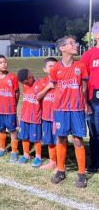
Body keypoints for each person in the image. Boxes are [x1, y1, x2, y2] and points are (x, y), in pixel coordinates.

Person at [50, 36, 89, 188]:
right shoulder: (55, 69)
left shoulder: (81, 66)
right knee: (61, 138)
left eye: (75, 43)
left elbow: (84, 87)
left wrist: (84, 103)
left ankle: (81, 173)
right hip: (60, 109)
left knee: (78, 139)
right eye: (71, 43)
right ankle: (60, 170)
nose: (75, 45)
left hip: (77, 108)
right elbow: (55, 86)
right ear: (62, 48)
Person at [0, 54, 20, 162]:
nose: (3, 64)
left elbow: (17, 92)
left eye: (5, 62)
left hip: (10, 109)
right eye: (0, 62)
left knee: (12, 130)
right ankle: (2, 149)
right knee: (1, 129)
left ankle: (14, 151)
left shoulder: (12, 77)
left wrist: (14, 104)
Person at [80, 22, 99, 173]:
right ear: (95, 34)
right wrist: (85, 102)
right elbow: (82, 80)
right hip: (94, 101)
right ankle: (95, 163)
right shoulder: (88, 55)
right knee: (95, 134)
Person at [17, 69, 42, 167]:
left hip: (35, 116)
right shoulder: (25, 84)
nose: (26, 84)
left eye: (27, 81)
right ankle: (26, 155)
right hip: (24, 115)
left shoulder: (40, 83)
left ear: (31, 76)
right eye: (24, 83)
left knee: (36, 138)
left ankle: (38, 156)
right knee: (24, 136)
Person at [36, 57, 58, 170]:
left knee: (59, 140)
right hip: (46, 116)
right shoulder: (42, 82)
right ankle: (52, 162)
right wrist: (48, 87)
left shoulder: (62, 80)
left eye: (55, 65)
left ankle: (61, 163)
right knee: (50, 140)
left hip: (59, 117)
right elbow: (38, 96)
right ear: (45, 69)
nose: (53, 68)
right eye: (50, 66)